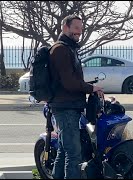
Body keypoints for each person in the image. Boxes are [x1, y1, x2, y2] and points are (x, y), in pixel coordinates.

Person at [49, 14, 103, 179]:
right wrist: (91, 88)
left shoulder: (69, 48)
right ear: (65, 27)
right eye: (76, 28)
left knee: (64, 152)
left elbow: (72, 80)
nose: (79, 32)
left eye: (81, 29)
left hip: (69, 105)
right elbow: (69, 82)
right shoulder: (60, 49)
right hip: (65, 107)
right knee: (74, 154)